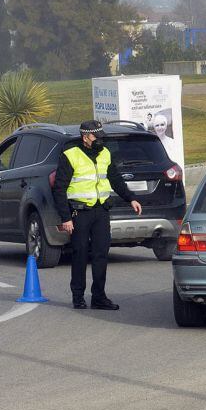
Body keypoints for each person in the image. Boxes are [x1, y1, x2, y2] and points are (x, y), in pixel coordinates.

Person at [52, 120, 143, 311]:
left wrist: (131, 198)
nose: (100, 141)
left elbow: (115, 179)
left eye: (102, 137)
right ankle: (78, 297)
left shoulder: (105, 153)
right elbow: (59, 188)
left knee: (101, 254)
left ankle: (99, 297)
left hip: (101, 211)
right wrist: (66, 217)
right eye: (97, 137)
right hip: (80, 212)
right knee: (80, 254)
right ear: (86, 137)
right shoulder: (71, 155)